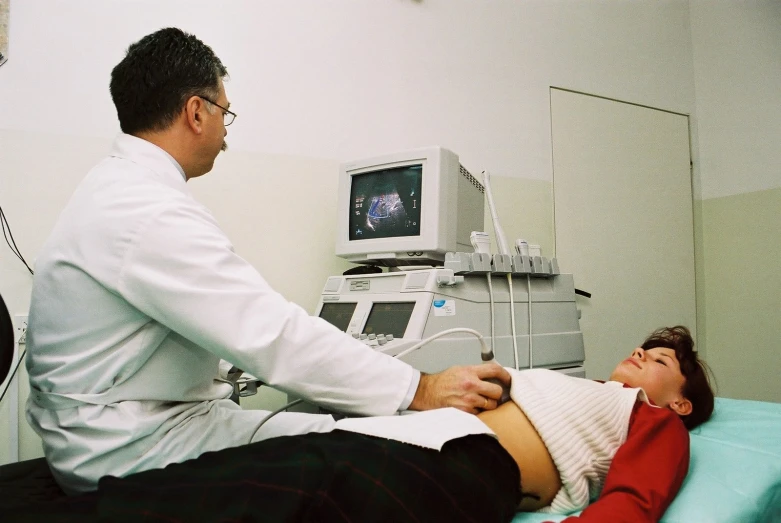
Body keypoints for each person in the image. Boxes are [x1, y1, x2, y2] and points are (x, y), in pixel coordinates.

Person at [24, 27, 511, 495]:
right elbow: (270, 334)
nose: (224, 131)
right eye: (223, 113)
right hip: (129, 447)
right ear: (196, 112)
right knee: (383, 451)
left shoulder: (118, 189)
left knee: (332, 428)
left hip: (134, 425)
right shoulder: (146, 211)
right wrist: (420, 387)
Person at [13, 325, 714, 523]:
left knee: (260, 495)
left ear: (678, 400)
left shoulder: (650, 421)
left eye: (657, 360)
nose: (639, 355)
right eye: (641, 344)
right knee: (207, 482)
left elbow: (635, 498)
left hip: (463, 464)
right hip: (400, 439)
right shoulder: (573, 384)